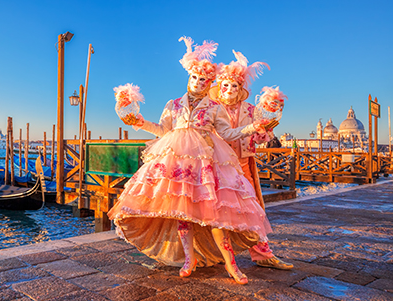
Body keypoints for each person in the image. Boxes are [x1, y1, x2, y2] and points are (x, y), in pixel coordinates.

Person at [109, 37, 272, 285]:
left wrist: (252, 128)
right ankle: (189, 258)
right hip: (178, 164)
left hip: (207, 163)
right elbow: (164, 130)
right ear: (189, 78)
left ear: (209, 84)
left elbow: (227, 134)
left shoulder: (215, 107)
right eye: (195, 78)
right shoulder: (173, 105)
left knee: (215, 214)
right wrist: (139, 123)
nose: (198, 82)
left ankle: (231, 264)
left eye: (204, 80)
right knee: (182, 213)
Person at [213, 76, 293, 270]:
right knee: (216, 211)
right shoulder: (212, 107)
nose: (230, 89)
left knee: (252, 209)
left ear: (240, 88)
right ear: (219, 87)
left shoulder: (251, 109)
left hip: (243, 163)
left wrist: (266, 130)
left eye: (235, 85)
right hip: (217, 164)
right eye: (226, 85)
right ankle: (215, 255)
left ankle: (262, 254)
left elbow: (258, 138)